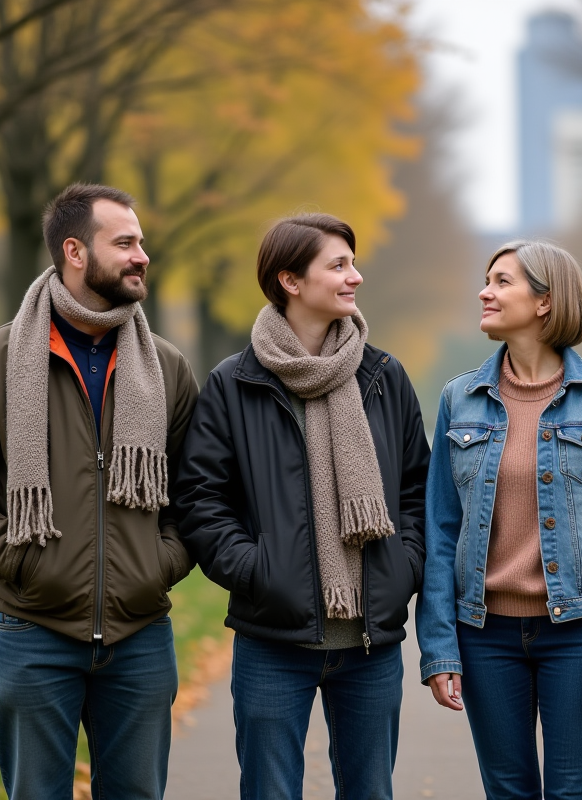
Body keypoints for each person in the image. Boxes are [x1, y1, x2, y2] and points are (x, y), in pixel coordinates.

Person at [0, 183, 199, 799]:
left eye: (142, 242)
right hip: (30, 633)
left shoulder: (168, 368)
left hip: (140, 636)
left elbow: (197, 492)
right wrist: (21, 560)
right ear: (74, 251)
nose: (142, 256)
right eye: (124, 242)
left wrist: (158, 565)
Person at [175, 213, 430, 800]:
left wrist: (403, 566)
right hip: (272, 638)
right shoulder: (233, 383)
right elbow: (201, 499)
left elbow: (417, 489)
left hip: (371, 639)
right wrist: (258, 571)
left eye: (353, 263)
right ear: (291, 280)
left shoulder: (384, 377)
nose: (355, 278)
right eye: (338, 266)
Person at [417, 240, 582, 799]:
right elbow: (439, 532)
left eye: (502, 281)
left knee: (574, 793)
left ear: (545, 301)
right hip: (485, 635)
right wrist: (439, 648)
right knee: (508, 791)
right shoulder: (460, 399)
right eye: (487, 279)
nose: (485, 291)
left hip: (577, 632)